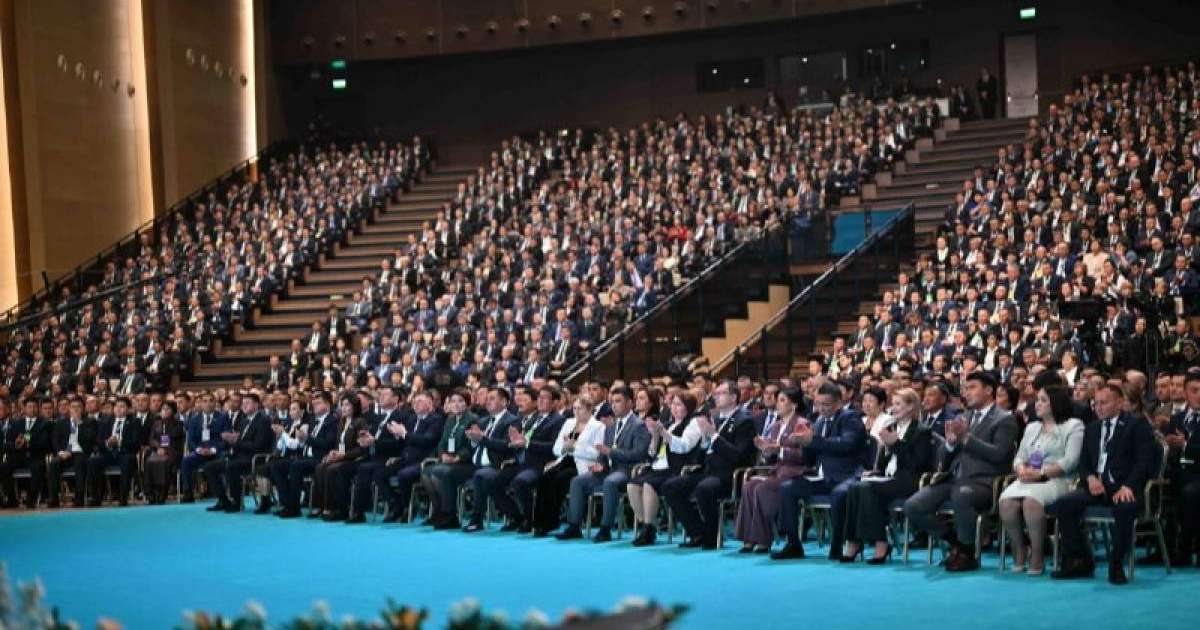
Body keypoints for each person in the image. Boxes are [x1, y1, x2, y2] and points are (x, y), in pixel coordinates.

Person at [904, 371, 1018, 571]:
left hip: (985, 482)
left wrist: (966, 438)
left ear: (989, 390)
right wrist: (949, 444)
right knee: (913, 505)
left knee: (961, 495)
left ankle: (967, 554)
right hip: (954, 478)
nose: (967, 392)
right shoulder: (963, 417)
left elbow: (999, 455)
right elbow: (944, 459)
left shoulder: (1004, 419)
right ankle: (957, 543)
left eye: (972, 387)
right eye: (965, 388)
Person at [1050, 383, 1156, 584]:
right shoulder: (1092, 428)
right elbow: (1083, 463)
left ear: (1119, 402)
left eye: (1104, 403)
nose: (1098, 407)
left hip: (1125, 487)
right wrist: (1089, 478)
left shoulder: (1137, 425)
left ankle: (1116, 564)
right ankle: (1079, 560)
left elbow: (1144, 463)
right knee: (1064, 504)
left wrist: (1129, 486)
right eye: (1095, 403)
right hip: (1096, 486)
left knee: (1125, 508)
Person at [772, 383, 868, 560]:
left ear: (839, 403)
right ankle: (793, 543)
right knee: (787, 488)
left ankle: (838, 544)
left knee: (839, 494)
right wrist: (804, 444)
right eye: (818, 404)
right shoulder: (818, 421)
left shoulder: (849, 417)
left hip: (847, 475)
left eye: (827, 404)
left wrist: (812, 440)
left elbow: (846, 444)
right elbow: (810, 458)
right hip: (822, 477)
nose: (822, 409)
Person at [998, 385, 1084, 575]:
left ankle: (1037, 555)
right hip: (1029, 478)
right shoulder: (1032, 427)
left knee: (1031, 502)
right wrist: (1020, 468)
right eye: (1037, 400)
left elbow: (1070, 461)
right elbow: (1019, 456)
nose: (1037, 404)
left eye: (1043, 400)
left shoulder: (1073, 425)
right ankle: (1020, 550)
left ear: (1057, 403)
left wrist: (1042, 473)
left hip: (1059, 479)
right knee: (1006, 502)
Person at [841, 387, 934, 563]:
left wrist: (896, 444)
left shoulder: (922, 430)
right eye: (893, 403)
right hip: (888, 479)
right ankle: (853, 541)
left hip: (910, 480)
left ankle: (881, 543)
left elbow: (917, 464)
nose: (894, 408)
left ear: (911, 406)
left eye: (898, 404)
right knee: (855, 487)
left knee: (867, 489)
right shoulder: (891, 427)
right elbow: (885, 464)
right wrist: (881, 457)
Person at [663, 379, 757, 549]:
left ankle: (711, 536)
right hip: (707, 470)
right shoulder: (714, 418)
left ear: (734, 397)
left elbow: (739, 456)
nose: (717, 397)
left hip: (729, 474)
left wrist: (713, 436)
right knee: (671, 486)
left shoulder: (744, 421)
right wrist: (706, 441)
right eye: (716, 394)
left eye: (722, 393)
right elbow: (703, 454)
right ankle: (697, 532)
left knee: (704, 488)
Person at [557, 386, 650, 542]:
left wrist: (611, 453)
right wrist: (600, 463)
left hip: (627, 470)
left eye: (618, 401)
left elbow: (639, 454)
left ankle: (605, 528)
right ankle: (574, 526)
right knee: (578, 481)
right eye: (612, 401)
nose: (614, 405)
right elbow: (603, 452)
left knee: (610, 482)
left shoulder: (638, 425)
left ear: (629, 403)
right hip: (609, 469)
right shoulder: (611, 426)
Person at [734, 387, 808, 553]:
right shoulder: (776, 426)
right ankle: (748, 538)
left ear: (794, 405)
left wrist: (778, 450)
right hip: (778, 470)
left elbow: (804, 455)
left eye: (782, 400)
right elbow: (772, 455)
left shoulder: (801, 424)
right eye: (778, 400)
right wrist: (764, 449)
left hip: (796, 472)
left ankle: (763, 539)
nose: (778, 404)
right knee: (749, 485)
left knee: (762, 488)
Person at [628, 391, 703, 547]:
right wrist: (655, 436)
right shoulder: (668, 424)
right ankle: (646, 526)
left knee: (649, 485)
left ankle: (648, 529)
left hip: (676, 468)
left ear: (688, 407)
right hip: (657, 466)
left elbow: (684, 446)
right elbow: (652, 453)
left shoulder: (692, 423)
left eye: (678, 404)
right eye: (672, 404)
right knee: (632, 485)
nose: (674, 408)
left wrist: (663, 432)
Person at [489, 386, 564, 533]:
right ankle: (515, 517)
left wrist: (527, 443)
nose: (540, 401)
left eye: (545, 398)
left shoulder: (559, 421)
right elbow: (522, 442)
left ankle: (530, 519)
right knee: (494, 482)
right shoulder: (533, 418)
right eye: (539, 397)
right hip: (521, 462)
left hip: (541, 464)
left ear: (555, 402)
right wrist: (516, 443)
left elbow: (553, 447)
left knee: (520, 482)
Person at [539, 394, 605, 537]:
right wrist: (565, 448)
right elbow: (556, 448)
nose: (576, 411)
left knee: (559, 480)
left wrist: (575, 447)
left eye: (579, 408)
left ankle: (554, 521)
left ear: (589, 409)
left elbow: (596, 452)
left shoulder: (598, 426)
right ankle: (541, 523)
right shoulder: (568, 422)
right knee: (544, 478)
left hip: (582, 465)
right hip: (565, 459)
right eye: (574, 408)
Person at [203, 393, 274, 513]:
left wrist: (236, 442)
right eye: (243, 403)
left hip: (254, 458)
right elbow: (238, 441)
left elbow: (258, 446)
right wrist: (229, 440)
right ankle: (223, 500)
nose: (244, 406)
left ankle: (237, 502)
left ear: (256, 405)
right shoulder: (243, 421)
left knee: (232, 466)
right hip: (238, 456)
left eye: (248, 403)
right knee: (209, 467)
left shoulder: (263, 421)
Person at [271, 391, 337, 518]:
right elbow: (301, 442)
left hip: (319, 458)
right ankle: (287, 504)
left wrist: (306, 438)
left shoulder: (332, 421)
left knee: (296, 465)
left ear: (327, 405)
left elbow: (327, 444)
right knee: (277, 466)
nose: (314, 406)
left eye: (318, 404)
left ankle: (294, 507)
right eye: (313, 404)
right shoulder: (313, 421)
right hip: (305, 456)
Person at [462, 387, 519, 532]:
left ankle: (476, 520)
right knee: (444, 472)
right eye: (487, 399)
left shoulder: (512, 421)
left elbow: (508, 446)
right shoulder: (483, 421)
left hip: (499, 465)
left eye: (492, 398)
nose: (488, 401)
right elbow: (473, 447)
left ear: (505, 402)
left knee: (482, 476)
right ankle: (445, 515)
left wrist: (483, 439)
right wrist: (474, 440)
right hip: (476, 464)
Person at [423, 389, 478, 528]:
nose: (456, 404)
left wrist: (458, 457)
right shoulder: (450, 420)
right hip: (449, 461)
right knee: (427, 472)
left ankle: (450, 515)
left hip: (467, 463)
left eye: (460, 401)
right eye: (453, 401)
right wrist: (443, 455)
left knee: (443, 473)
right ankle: (438, 511)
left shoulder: (473, 419)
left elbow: (472, 446)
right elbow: (442, 443)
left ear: (467, 404)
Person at [308, 394, 369, 520]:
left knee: (332, 470)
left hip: (354, 459)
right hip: (342, 457)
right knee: (320, 467)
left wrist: (343, 456)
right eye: (342, 405)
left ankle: (339, 508)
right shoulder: (342, 422)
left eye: (347, 405)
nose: (344, 408)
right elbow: (338, 444)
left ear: (354, 407)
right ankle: (324, 506)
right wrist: (332, 453)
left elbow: (361, 448)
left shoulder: (360, 422)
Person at [1165, 371, 1200, 565]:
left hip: (1197, 475)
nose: (1199, 395)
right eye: (1194, 391)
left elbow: (1186, 445)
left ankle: (1185, 547)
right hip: (1177, 473)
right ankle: (1163, 547)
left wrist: (1185, 445)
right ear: (1185, 394)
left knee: (1189, 493)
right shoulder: (1177, 419)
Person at [86, 397, 140, 507]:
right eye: (116, 406)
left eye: (122, 406)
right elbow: (98, 442)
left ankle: (123, 497)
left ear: (128, 409)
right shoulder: (105, 422)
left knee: (128, 460)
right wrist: (107, 443)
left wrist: (119, 442)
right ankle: (95, 497)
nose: (118, 409)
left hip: (125, 452)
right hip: (108, 453)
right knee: (94, 461)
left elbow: (136, 443)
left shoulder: (134, 422)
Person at [46, 398, 96, 508]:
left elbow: (90, 440)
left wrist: (80, 424)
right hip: (65, 453)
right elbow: (55, 440)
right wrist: (60, 452)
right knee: (54, 463)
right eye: (73, 407)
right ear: (69, 408)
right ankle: (53, 499)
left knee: (79, 463)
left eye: (78, 407)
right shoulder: (61, 423)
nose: (76, 409)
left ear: (83, 409)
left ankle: (79, 499)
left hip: (80, 453)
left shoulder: (89, 422)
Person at [181, 393, 229, 502]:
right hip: (200, 452)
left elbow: (226, 440)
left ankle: (221, 495)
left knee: (222, 460)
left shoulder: (223, 417)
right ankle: (188, 492)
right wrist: (199, 450)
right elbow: (191, 440)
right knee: (186, 460)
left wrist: (213, 450)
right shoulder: (194, 419)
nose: (208, 404)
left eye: (211, 401)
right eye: (205, 401)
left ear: (215, 403)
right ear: (201, 404)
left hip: (217, 452)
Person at [143, 400, 187, 504]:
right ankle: (150, 494)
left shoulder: (178, 424)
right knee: (149, 461)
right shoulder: (156, 423)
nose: (164, 411)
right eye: (163, 409)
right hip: (158, 451)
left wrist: (166, 424)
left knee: (165, 462)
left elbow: (175, 439)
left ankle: (162, 493)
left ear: (173, 411)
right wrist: (158, 448)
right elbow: (151, 439)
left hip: (173, 451)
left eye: (167, 409)